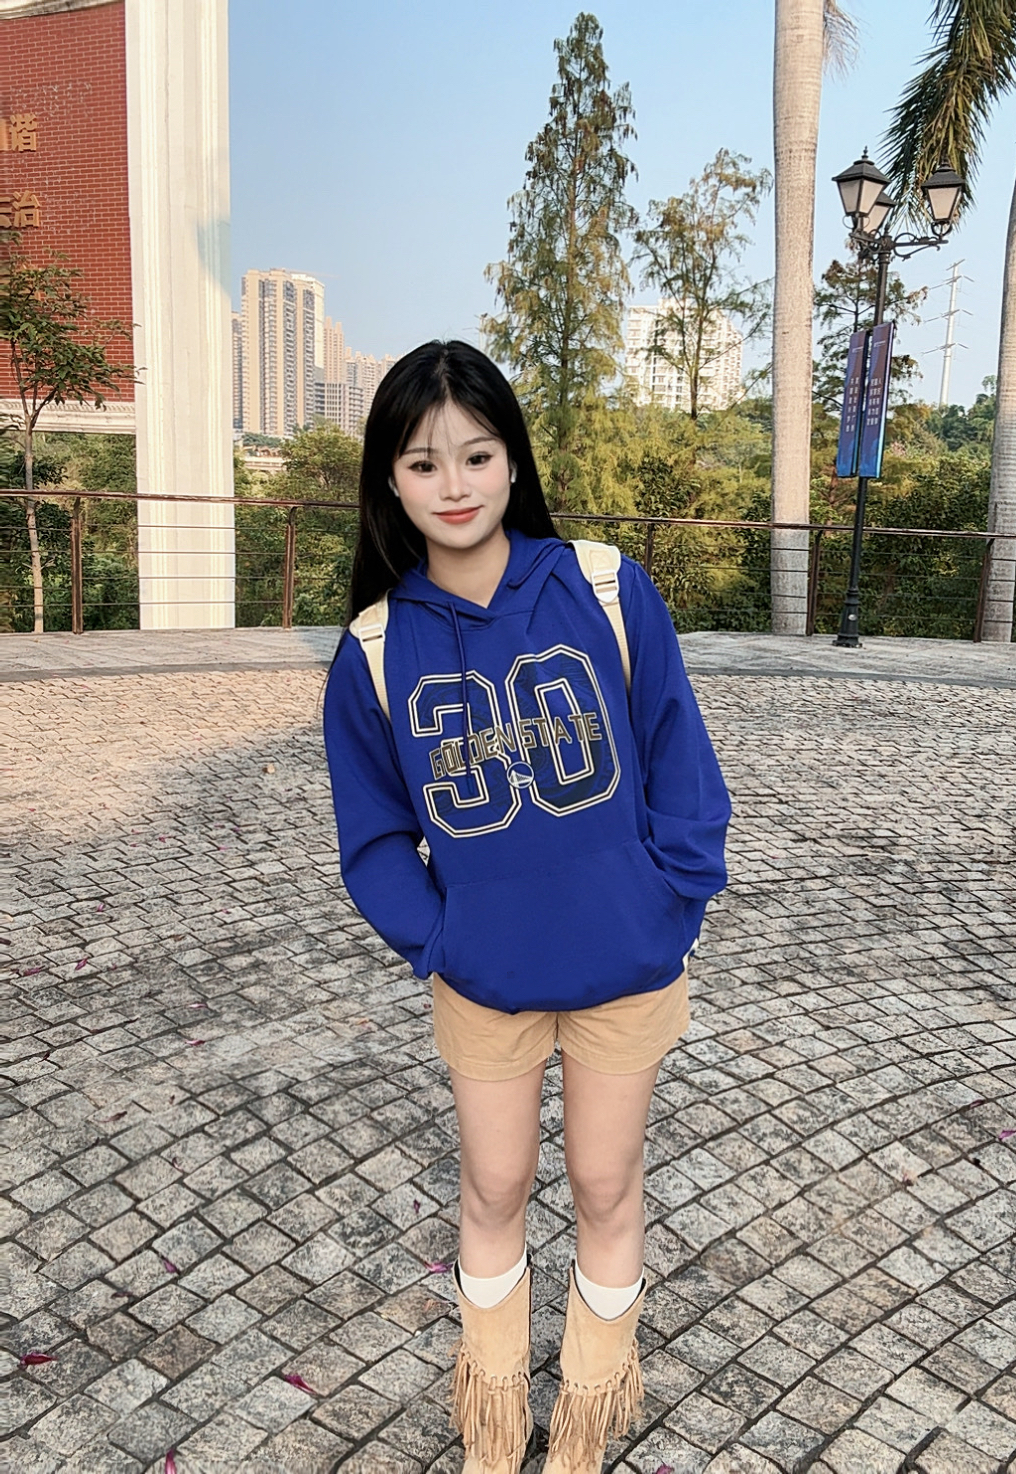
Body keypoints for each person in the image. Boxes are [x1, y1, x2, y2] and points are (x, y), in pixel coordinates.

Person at [323, 340, 730, 1474]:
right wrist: (444, 938)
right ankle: (495, 1427)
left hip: (626, 965)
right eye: (422, 463)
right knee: (495, 1185)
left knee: (604, 1183)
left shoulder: (603, 587)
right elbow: (374, 838)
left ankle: (584, 1429)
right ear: (390, 479)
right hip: (485, 980)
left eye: (476, 454)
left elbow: (679, 757)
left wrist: (669, 901)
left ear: (512, 460)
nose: (453, 484)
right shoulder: (373, 649)